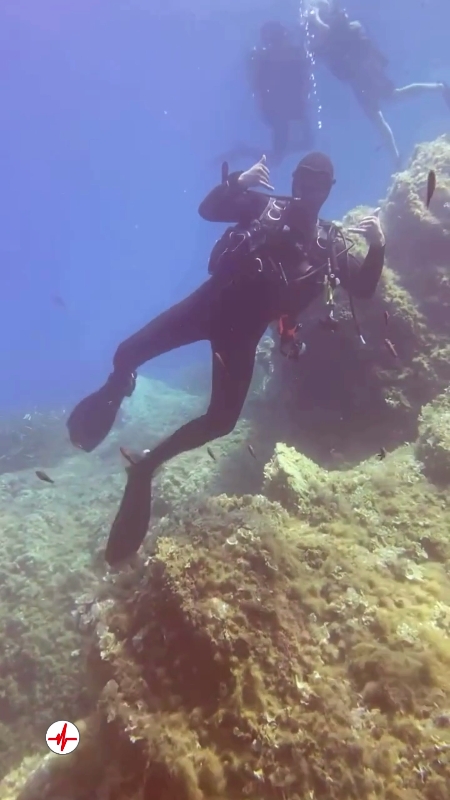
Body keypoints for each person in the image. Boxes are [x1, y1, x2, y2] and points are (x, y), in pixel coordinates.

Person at [67, 151, 385, 566]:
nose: (308, 189)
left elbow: (363, 287)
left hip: (240, 339)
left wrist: (378, 244)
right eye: (303, 179)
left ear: (329, 190)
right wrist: (238, 181)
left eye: (318, 184)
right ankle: (115, 389)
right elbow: (209, 209)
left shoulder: (331, 245)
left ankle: (146, 467)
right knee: (125, 353)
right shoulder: (264, 206)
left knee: (222, 421)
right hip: (205, 308)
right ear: (293, 180)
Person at [308, 0, 450, 168]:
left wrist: (314, 16)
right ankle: (396, 158)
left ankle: (440, 88)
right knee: (381, 114)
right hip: (359, 78)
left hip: (367, 72)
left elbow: (330, 33)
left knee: (391, 101)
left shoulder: (343, 26)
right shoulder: (338, 30)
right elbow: (326, 44)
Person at [220, 21, 313, 167]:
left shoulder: (288, 55)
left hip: (287, 108)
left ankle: (243, 152)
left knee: (304, 145)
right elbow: (257, 87)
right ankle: (242, 152)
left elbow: (305, 77)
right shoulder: (266, 58)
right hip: (278, 111)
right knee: (280, 155)